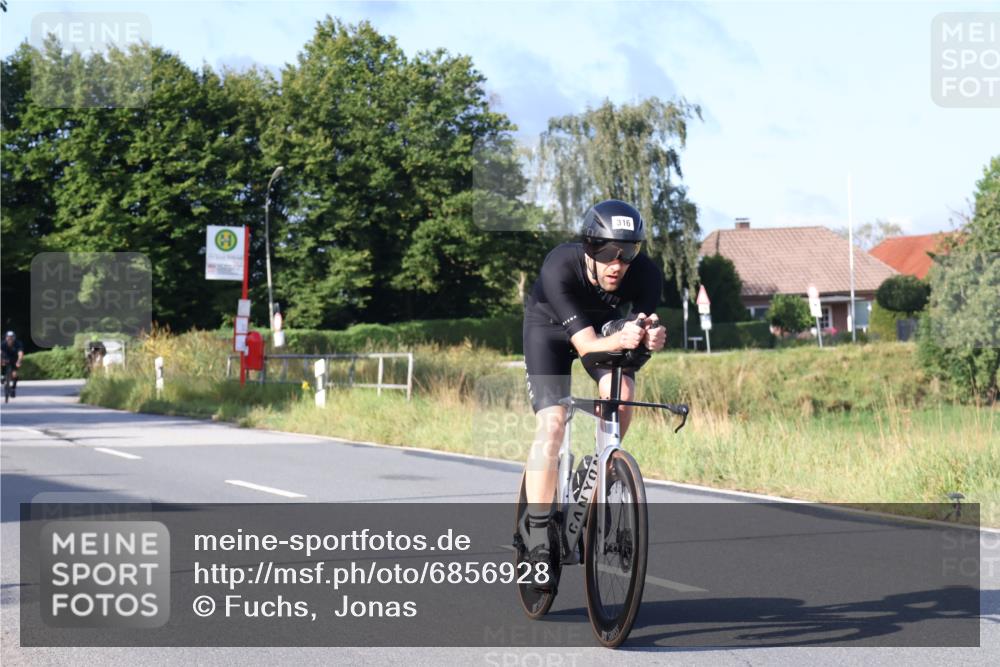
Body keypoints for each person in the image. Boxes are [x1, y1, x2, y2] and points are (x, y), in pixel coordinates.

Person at [520, 199, 666, 589]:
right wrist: (623, 337)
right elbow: (585, 346)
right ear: (589, 247)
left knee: (623, 388)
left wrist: (649, 339)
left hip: (604, 328)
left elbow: (636, 335)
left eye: (628, 252)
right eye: (606, 252)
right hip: (550, 330)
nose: (617, 264)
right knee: (552, 424)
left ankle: (599, 465)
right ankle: (536, 533)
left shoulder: (647, 276)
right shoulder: (560, 265)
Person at [2, 331, 25, 397]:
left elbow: (20, 353)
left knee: (14, 374)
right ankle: (2, 375)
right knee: (2, 363)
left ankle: (13, 388)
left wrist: (19, 361)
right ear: (6, 338)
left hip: (14, 360)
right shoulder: (3, 344)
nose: (10, 339)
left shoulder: (18, 344)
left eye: (11, 338)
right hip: (5, 359)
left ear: (14, 338)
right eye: (8, 338)